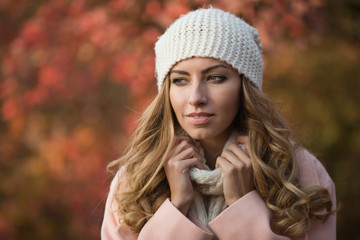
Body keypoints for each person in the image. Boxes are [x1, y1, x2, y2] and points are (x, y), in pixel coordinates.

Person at [101, 8, 336, 240]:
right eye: (180, 80)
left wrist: (243, 208)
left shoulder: (298, 172)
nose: (196, 97)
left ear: (245, 86)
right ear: (167, 91)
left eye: (215, 78)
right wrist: (177, 205)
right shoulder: (135, 180)